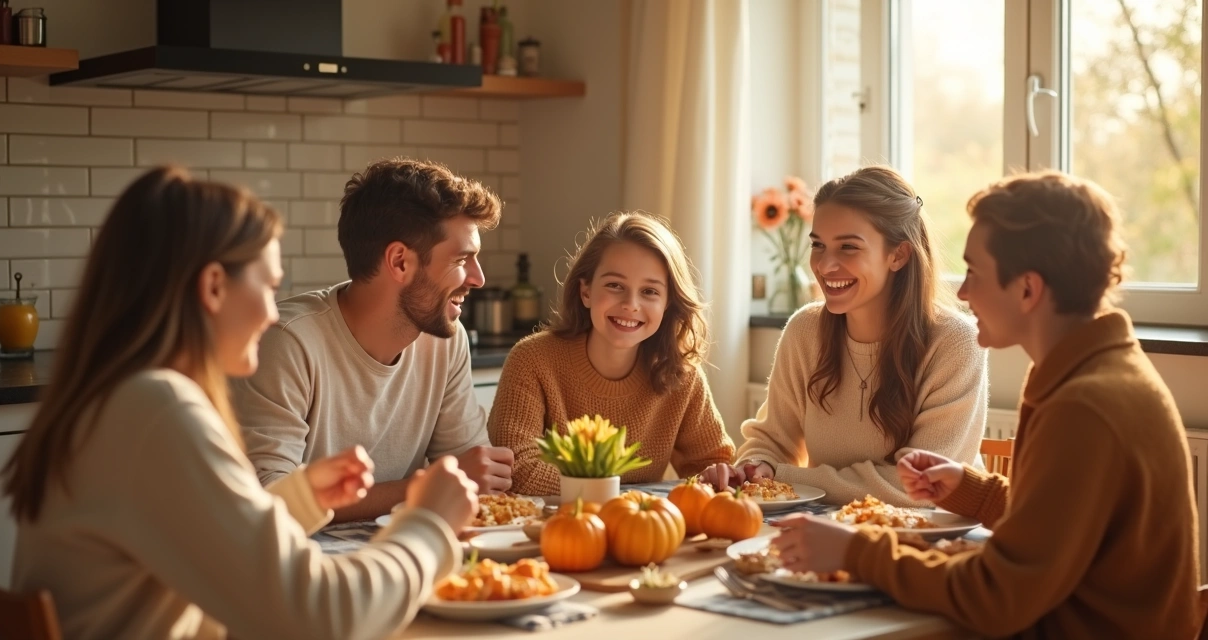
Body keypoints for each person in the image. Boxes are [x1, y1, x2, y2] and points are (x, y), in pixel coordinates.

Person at [0, 167, 480, 640]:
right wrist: (428, 522)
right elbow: (322, 617)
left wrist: (301, 497)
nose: (274, 312)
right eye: (269, 287)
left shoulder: (119, 400)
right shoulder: (157, 410)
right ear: (213, 287)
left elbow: (208, 542)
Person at [772, 171, 1200, 638]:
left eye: (974, 273)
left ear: (1028, 289)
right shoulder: (1086, 373)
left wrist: (856, 553)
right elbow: (1055, 526)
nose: (962, 293)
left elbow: (997, 597)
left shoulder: (1086, 406)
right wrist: (977, 492)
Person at [234, 158, 513, 522]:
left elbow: (472, 474)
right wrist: (423, 488)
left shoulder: (445, 339)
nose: (478, 279)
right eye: (462, 259)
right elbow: (270, 503)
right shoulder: (289, 343)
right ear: (399, 262)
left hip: (399, 551)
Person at [701, 166, 987, 507]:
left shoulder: (956, 342)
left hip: (932, 542)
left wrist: (779, 475)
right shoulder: (805, 330)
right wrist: (753, 468)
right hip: (827, 533)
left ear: (898, 254)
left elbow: (914, 486)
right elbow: (772, 441)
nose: (824, 265)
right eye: (818, 245)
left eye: (848, 247)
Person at [488, 211, 735, 494]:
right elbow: (518, 469)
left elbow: (713, 464)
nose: (631, 304)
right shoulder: (532, 360)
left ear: (668, 302)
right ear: (586, 292)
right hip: (555, 529)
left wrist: (716, 475)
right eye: (615, 286)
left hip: (642, 528)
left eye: (650, 291)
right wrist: (620, 498)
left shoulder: (682, 375)